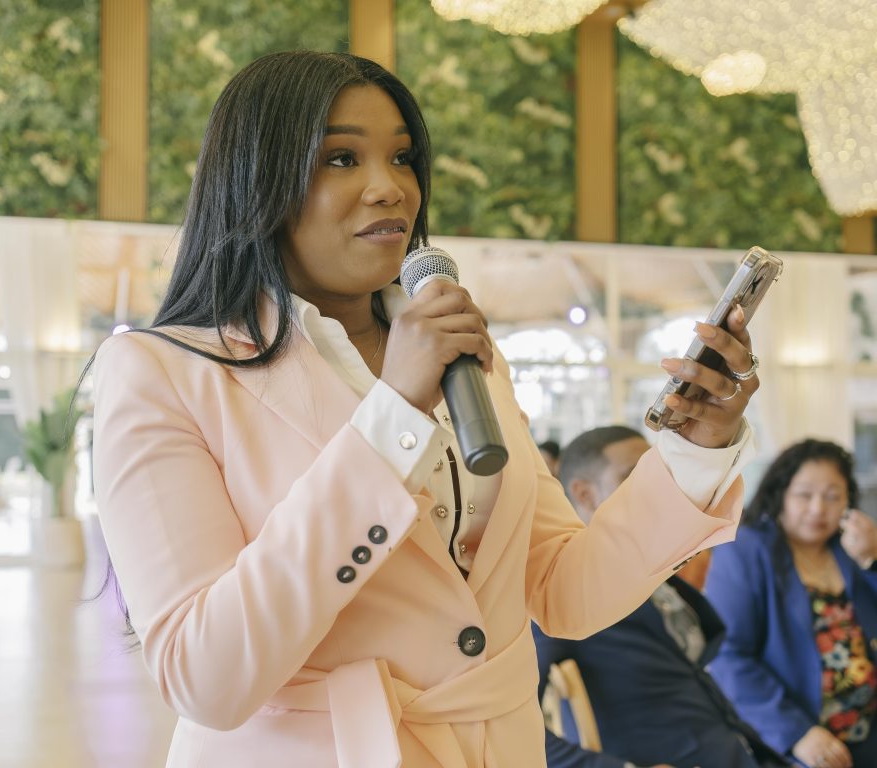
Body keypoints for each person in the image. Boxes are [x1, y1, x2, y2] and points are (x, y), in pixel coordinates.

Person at [91, 50, 762, 768]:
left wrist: (694, 451)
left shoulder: (467, 355)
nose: (389, 188)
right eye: (341, 159)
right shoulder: (161, 374)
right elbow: (206, 676)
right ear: (256, 181)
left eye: (403, 158)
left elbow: (564, 589)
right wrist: (391, 416)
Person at [532, 426, 788, 768]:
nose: (654, 487)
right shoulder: (559, 590)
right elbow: (516, 725)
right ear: (584, 494)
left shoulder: (653, 566)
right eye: (633, 476)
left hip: (739, 747)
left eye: (658, 473)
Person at [706, 439, 877, 768]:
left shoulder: (852, 548)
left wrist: (872, 559)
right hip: (794, 741)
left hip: (866, 728)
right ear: (780, 493)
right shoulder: (745, 551)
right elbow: (727, 655)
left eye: (832, 496)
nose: (818, 508)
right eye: (804, 494)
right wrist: (797, 732)